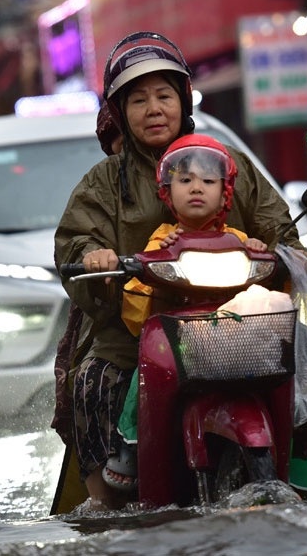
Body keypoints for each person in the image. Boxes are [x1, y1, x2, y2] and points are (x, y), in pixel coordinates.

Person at [53, 31, 307, 512]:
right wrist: (96, 257)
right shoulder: (105, 182)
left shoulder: (227, 164)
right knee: (93, 381)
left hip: (233, 323)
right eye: (139, 99)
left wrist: (290, 250)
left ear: (183, 102)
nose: (154, 109)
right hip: (133, 329)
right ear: (119, 112)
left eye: (164, 95)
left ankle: (298, 468)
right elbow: (76, 238)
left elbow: (274, 223)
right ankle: (105, 503)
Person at [102, 133, 268, 489]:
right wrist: (149, 262)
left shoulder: (238, 238)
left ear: (225, 191)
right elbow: (136, 301)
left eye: (209, 181)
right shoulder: (161, 239)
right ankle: (131, 441)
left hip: (230, 338)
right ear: (167, 189)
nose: (197, 188)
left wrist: (258, 249)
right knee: (143, 372)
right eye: (185, 180)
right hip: (177, 343)